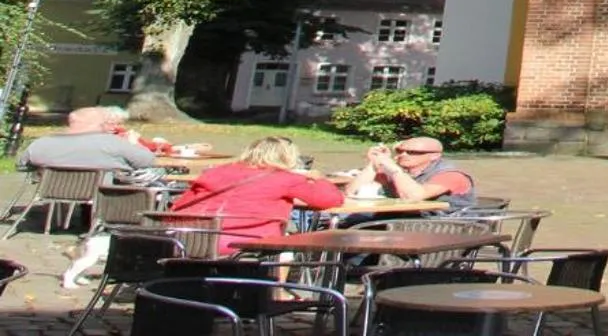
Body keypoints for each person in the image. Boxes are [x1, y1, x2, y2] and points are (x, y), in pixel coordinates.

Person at [164, 136, 347, 253]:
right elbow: (331, 200)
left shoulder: (215, 172)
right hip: (243, 241)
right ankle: (277, 293)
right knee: (285, 249)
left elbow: (179, 206)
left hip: (189, 238)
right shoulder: (285, 178)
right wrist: (320, 179)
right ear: (288, 157)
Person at [345, 136, 478, 208]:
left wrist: (395, 170)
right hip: (398, 220)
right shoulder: (399, 171)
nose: (404, 155)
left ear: (434, 156)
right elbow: (353, 191)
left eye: (413, 152)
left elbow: (414, 196)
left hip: (442, 226)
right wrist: (374, 164)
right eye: (400, 151)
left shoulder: (450, 175)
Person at [23, 106, 160, 174]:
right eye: (108, 123)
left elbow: (21, 165)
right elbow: (147, 161)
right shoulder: (113, 143)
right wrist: (134, 143)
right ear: (100, 124)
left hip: (51, 190)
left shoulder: (42, 143)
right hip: (104, 194)